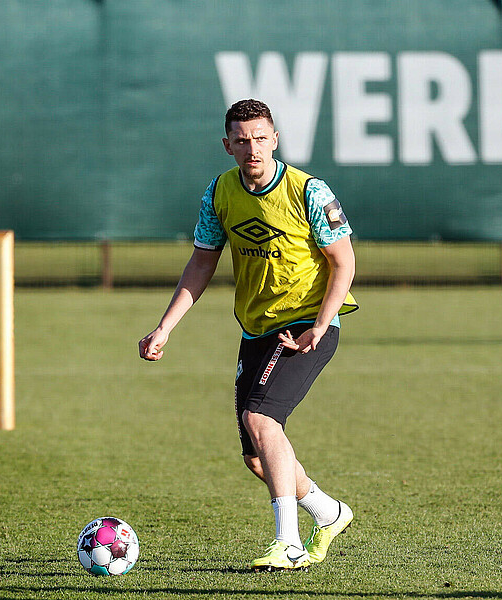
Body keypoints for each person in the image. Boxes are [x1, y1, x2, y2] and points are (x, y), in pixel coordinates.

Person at [138, 99, 357, 571]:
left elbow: (344, 261)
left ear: (275, 138)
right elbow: (202, 261)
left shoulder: (309, 192)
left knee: (262, 420)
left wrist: (321, 324)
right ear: (227, 145)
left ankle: (289, 543)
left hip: (305, 324)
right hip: (257, 329)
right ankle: (329, 512)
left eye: (260, 137)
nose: (252, 148)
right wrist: (165, 327)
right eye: (241, 140)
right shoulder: (219, 193)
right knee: (257, 458)